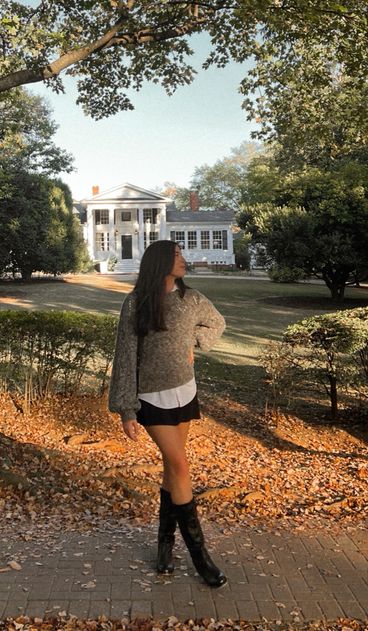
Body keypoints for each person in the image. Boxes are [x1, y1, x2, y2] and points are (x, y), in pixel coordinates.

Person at [108, 240, 227, 588]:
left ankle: (164, 547)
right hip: (151, 398)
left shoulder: (191, 299)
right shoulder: (136, 303)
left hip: (185, 392)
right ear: (160, 262)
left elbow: (217, 323)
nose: (184, 260)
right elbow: (125, 357)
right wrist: (126, 408)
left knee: (172, 470)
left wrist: (195, 341)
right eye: (177, 256)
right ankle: (200, 556)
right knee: (181, 466)